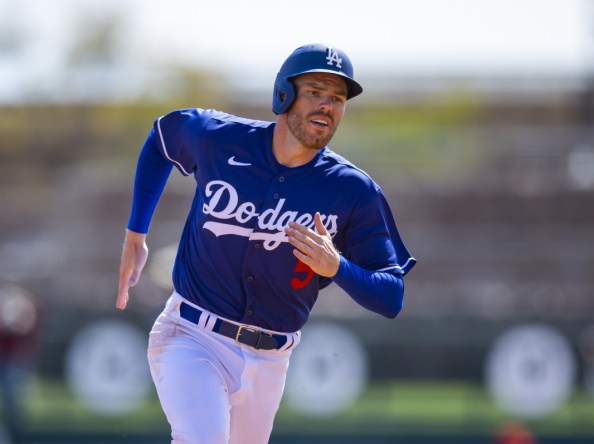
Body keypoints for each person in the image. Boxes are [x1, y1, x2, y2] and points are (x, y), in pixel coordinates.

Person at [116, 43, 416, 444]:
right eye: (314, 91)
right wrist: (136, 233)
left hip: (271, 360)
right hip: (192, 335)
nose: (326, 106)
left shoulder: (352, 190)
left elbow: (391, 296)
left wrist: (337, 267)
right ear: (283, 94)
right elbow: (161, 138)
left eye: (337, 98)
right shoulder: (219, 139)